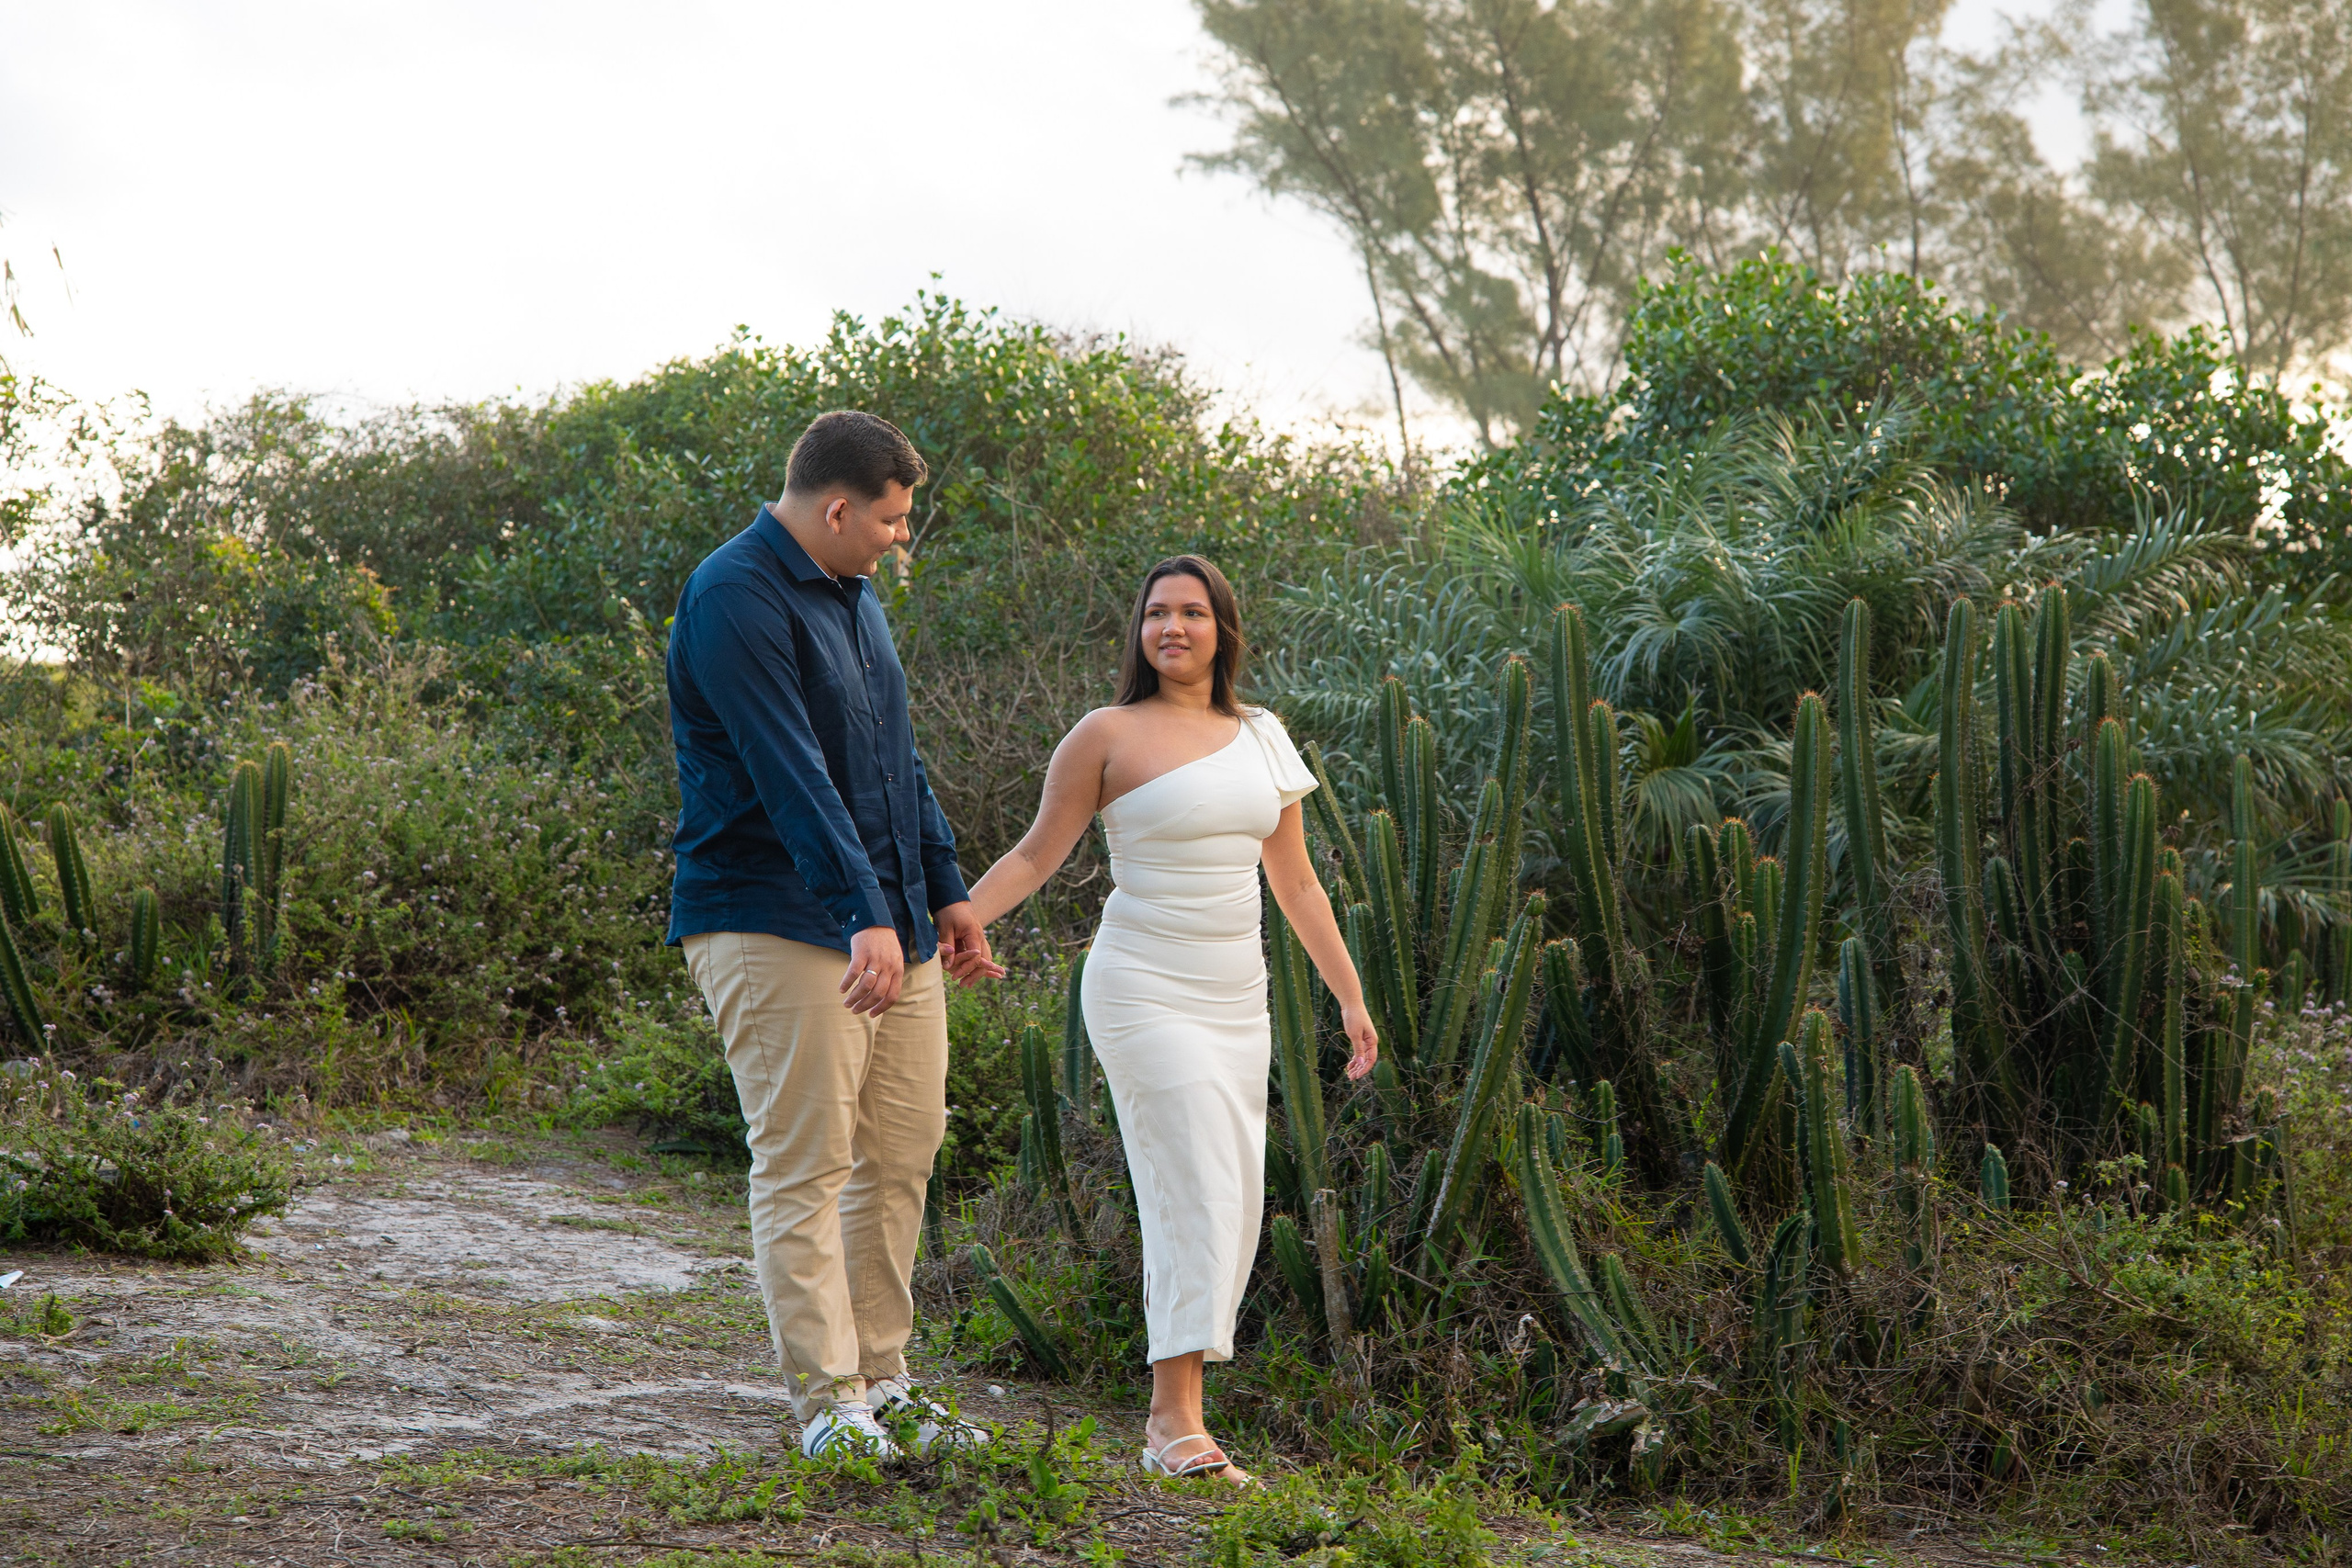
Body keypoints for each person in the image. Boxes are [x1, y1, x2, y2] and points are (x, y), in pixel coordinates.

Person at [962, 555, 1378, 1486]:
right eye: (1157, 613)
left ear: (1223, 630)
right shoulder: (1104, 734)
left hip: (1236, 998)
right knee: (1188, 1176)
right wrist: (953, 924)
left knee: (1231, 1194)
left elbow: (1297, 882)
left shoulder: (1262, 735)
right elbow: (1034, 856)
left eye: (1193, 612)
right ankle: (1173, 1424)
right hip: (1142, 986)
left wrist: (1349, 997)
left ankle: (1178, 1417)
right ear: (1139, 632)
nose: (1173, 627)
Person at [665, 410, 997, 1459]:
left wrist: (943, 891)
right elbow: (789, 772)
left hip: (886, 923)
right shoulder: (734, 595)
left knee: (900, 1152)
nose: (902, 539)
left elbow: (894, 756)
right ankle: (829, 1406)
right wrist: (861, 913)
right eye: (893, 522)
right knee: (807, 1162)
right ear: (840, 506)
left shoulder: (854, 598)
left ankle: (886, 1383)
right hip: (770, 917)